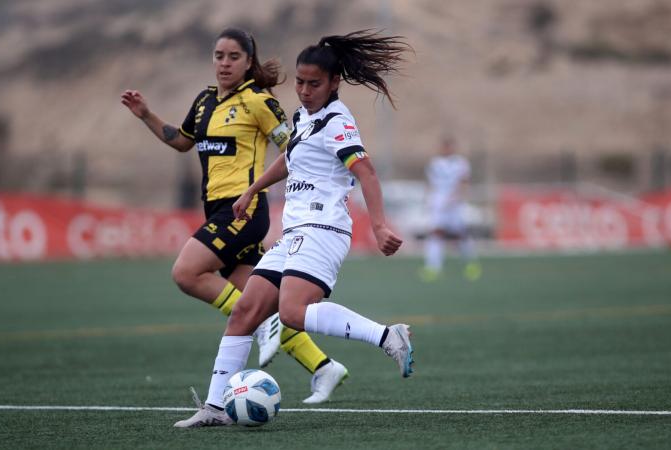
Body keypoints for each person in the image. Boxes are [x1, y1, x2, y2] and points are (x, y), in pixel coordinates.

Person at [174, 29, 414, 428]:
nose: (303, 90)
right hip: (294, 233)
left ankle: (389, 336)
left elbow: (366, 172)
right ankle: (215, 407)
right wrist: (252, 189)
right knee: (245, 313)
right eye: (300, 82)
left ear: (334, 83)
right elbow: (289, 160)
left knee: (293, 313)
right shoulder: (305, 118)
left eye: (313, 83)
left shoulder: (337, 122)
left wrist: (378, 225)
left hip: (323, 229)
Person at [120, 28, 347, 404]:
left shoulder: (258, 100)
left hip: (242, 210)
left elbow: (296, 149)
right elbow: (181, 141)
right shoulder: (205, 100)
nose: (224, 63)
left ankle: (265, 330)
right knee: (250, 301)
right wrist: (145, 114)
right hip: (218, 210)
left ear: (248, 62)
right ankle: (323, 366)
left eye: (233, 57)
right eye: (218, 56)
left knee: (186, 273)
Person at [419, 136, 481, 282]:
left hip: (454, 204)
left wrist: (458, 197)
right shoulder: (434, 163)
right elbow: (431, 184)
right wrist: (428, 201)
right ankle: (433, 268)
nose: (446, 149)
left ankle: (471, 264)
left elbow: (464, 182)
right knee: (435, 234)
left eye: (448, 146)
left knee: (460, 235)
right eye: (444, 146)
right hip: (438, 204)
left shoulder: (461, 163)